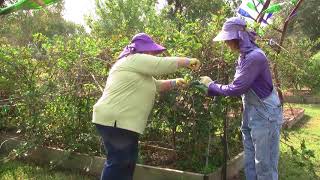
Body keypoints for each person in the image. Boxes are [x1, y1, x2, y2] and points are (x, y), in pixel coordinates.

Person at [92, 33, 201, 180]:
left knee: (127, 161)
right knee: (119, 161)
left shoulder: (137, 68)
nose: (153, 55)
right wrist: (188, 61)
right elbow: (160, 64)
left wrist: (176, 82)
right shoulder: (133, 59)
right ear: (142, 50)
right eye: (152, 51)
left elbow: (157, 86)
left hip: (121, 121)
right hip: (116, 120)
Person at [199, 17, 283, 180]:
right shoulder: (244, 56)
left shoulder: (254, 57)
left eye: (228, 39)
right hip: (252, 111)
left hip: (265, 114)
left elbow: (237, 88)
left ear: (238, 37)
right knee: (250, 159)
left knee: (264, 165)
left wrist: (211, 86)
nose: (226, 43)